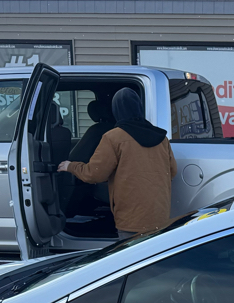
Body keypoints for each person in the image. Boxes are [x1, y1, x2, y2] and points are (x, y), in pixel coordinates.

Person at [58, 88, 176, 236]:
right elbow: (173, 171)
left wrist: (71, 166)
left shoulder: (114, 137)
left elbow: (95, 174)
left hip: (131, 221)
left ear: (117, 111)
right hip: (160, 217)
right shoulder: (161, 138)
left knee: (132, 257)